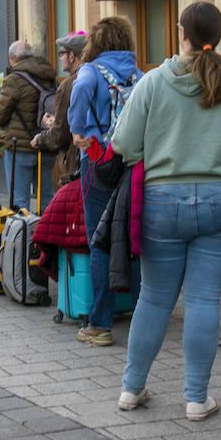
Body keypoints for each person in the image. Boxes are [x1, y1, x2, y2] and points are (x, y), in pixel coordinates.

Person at [110, 3, 221, 419]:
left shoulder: (152, 84)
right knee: (204, 297)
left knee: (153, 298)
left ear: (180, 31)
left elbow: (123, 145)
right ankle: (195, 398)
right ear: (218, 35)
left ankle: (132, 390)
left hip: (163, 204)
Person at [67, 18, 140, 348]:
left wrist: (77, 130)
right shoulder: (138, 73)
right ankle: (142, 317)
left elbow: (80, 92)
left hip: (97, 160)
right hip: (131, 161)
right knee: (133, 235)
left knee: (100, 238)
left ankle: (99, 324)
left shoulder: (90, 71)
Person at [0, 41, 58, 211]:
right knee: (46, 197)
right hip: (45, 144)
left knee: (20, 201)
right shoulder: (49, 77)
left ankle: (23, 237)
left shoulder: (14, 79)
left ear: (13, 59)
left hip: (20, 148)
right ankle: (47, 235)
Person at [35, 31, 87, 184]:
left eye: (62, 53)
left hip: (75, 164)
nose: (60, 58)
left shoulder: (68, 85)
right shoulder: (97, 76)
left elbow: (60, 134)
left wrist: (40, 138)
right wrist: (56, 120)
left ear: (72, 56)